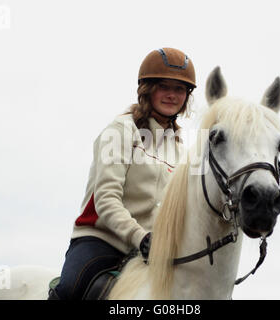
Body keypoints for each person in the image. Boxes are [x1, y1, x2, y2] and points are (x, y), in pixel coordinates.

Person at [49, 48, 196, 300]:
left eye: (180, 89)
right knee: (70, 290)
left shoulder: (182, 150)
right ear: (147, 89)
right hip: (103, 240)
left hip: (153, 252)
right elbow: (106, 199)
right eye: (163, 86)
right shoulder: (120, 131)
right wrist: (141, 237)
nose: (172, 95)